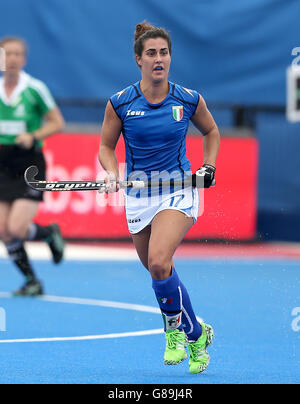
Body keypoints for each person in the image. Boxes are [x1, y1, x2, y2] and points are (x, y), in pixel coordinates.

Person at [98, 22, 220, 374]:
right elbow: (106, 147)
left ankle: (172, 332)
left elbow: (211, 131)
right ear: (138, 59)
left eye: (163, 53)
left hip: (179, 189)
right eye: (151, 53)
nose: (158, 59)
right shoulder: (120, 103)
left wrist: (208, 165)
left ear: (170, 58)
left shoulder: (187, 98)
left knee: (158, 261)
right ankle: (196, 332)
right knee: (161, 273)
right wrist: (110, 173)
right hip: (138, 195)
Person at [0, 37, 65, 296]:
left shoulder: (35, 88)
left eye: (18, 54)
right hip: (1, 164)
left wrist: (34, 136)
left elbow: (57, 122)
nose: (13, 59)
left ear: (24, 59)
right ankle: (32, 281)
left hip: (28, 163)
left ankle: (48, 232)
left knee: (16, 228)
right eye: (8, 54)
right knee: (3, 230)